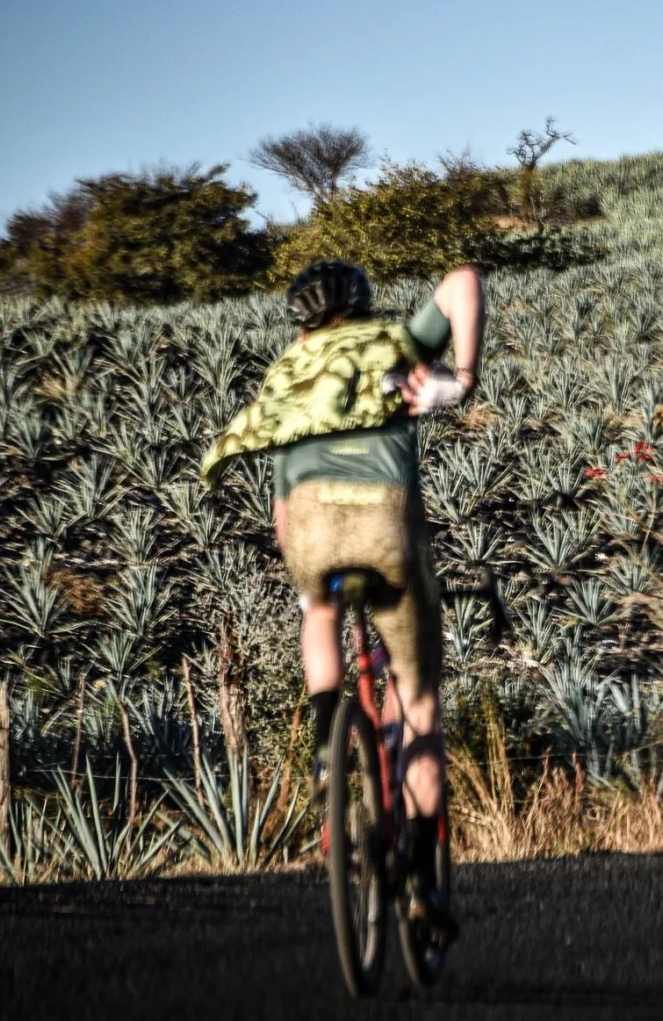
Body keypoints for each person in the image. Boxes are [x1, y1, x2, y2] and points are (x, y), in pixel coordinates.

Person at [200, 259, 484, 938]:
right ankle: (420, 884)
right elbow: (464, 281)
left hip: (311, 527)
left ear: (300, 324)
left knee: (318, 608)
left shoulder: (287, 378)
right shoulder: (394, 343)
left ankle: (330, 738)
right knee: (416, 701)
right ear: (363, 303)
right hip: (384, 521)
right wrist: (462, 378)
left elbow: (279, 520)